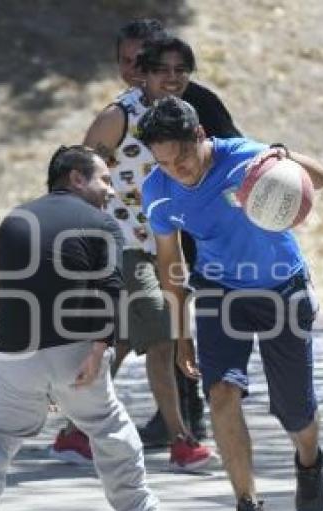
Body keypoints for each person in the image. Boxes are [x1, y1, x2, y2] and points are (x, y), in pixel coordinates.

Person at [137, 96, 323, 511]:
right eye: (164, 162)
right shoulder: (158, 190)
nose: (177, 169)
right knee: (221, 392)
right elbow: (171, 263)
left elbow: (319, 179)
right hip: (220, 292)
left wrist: (284, 156)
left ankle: (309, 460)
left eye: (182, 156)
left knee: (294, 409)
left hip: (284, 289)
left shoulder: (245, 157)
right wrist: (181, 334)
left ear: (201, 135)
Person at [0, 145, 158, 511]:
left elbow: (13, 291)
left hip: (11, 350)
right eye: (104, 179)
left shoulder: (14, 220)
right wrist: (101, 347)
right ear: (76, 178)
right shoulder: (99, 224)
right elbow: (113, 290)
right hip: (75, 347)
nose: (110, 191)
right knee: (106, 425)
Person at [53, 35, 218, 472]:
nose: (173, 77)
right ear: (141, 73)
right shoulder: (118, 116)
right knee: (163, 337)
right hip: (120, 244)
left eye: (181, 70)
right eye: (163, 69)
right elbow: (77, 173)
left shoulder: (183, 117)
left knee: (121, 342)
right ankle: (182, 442)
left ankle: (72, 431)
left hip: (158, 243)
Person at [115, 18, 242, 448]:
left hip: (202, 229)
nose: (169, 78)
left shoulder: (202, 102)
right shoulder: (127, 110)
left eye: (177, 69)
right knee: (160, 319)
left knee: (183, 317)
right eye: (152, 68)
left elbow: (235, 154)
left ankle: (192, 416)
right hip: (154, 229)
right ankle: (177, 416)